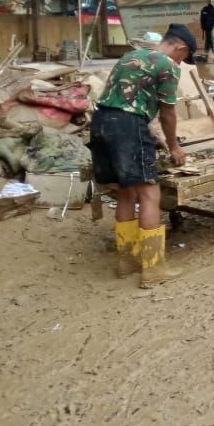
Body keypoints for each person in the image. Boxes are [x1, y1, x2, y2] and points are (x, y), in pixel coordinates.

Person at [88, 24, 195, 288]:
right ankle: (154, 268)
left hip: (101, 122)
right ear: (181, 48)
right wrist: (174, 147)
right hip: (127, 126)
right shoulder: (168, 65)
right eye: (185, 56)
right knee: (149, 193)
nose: (183, 61)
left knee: (127, 190)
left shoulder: (130, 56)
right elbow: (168, 113)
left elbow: (126, 98)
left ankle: (127, 261)